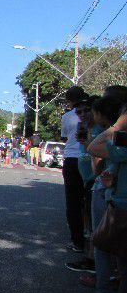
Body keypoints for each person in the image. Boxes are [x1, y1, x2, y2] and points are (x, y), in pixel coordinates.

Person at [74, 96, 120, 293]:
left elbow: (95, 156)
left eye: (89, 111)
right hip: (110, 192)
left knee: (102, 241)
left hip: (110, 193)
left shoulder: (113, 135)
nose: (85, 115)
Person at [86, 104, 127, 293]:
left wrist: (118, 125)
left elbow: (95, 147)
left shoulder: (121, 143)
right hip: (118, 202)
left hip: (122, 209)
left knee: (119, 263)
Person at [61, 86, 89, 253]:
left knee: (73, 201)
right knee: (89, 198)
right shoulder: (92, 112)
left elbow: (64, 136)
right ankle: (90, 231)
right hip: (90, 155)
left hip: (72, 158)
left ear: (69, 100)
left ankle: (77, 241)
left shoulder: (68, 116)